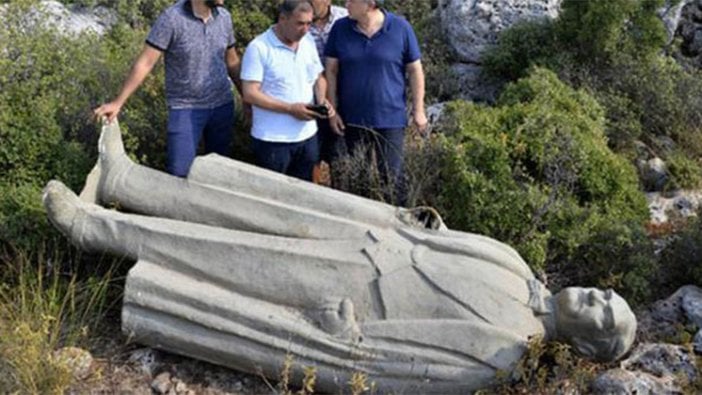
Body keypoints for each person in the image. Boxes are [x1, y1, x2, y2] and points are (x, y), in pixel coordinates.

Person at [43, 121, 637, 394]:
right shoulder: (516, 263)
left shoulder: (504, 352)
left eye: (604, 315)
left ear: (586, 346)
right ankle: (126, 178)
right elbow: (440, 241)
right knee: (245, 208)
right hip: (368, 235)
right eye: (609, 295)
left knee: (219, 253)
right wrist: (421, 224)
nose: (598, 299)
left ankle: (95, 228)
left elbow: (398, 367)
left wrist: (341, 338)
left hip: (348, 290)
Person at [93, 0, 242, 178]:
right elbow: (145, 63)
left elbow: (232, 61)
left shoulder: (224, 17)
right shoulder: (172, 19)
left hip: (222, 106)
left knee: (219, 170)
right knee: (179, 172)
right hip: (185, 108)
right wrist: (118, 102)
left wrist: (247, 98)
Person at [325, 0, 428, 204]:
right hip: (352, 119)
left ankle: (398, 227)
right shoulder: (340, 28)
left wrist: (419, 110)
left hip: (390, 119)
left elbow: (415, 70)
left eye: (352, 1)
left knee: (392, 179)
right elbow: (331, 71)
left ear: (370, 4)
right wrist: (333, 110)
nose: (346, 4)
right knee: (358, 180)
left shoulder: (400, 28)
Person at [241, 0, 336, 181]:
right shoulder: (259, 47)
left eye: (309, 23)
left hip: (307, 136)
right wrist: (290, 109)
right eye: (300, 23)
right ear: (282, 19)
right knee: (273, 196)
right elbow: (250, 93)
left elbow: (318, 77)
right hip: (273, 140)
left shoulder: (307, 42)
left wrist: (322, 100)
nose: (305, 29)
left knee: (304, 192)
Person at [309, 0, 348, 183]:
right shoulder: (298, 17)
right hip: (309, 101)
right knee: (310, 160)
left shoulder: (345, 17)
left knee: (340, 159)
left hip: (341, 100)